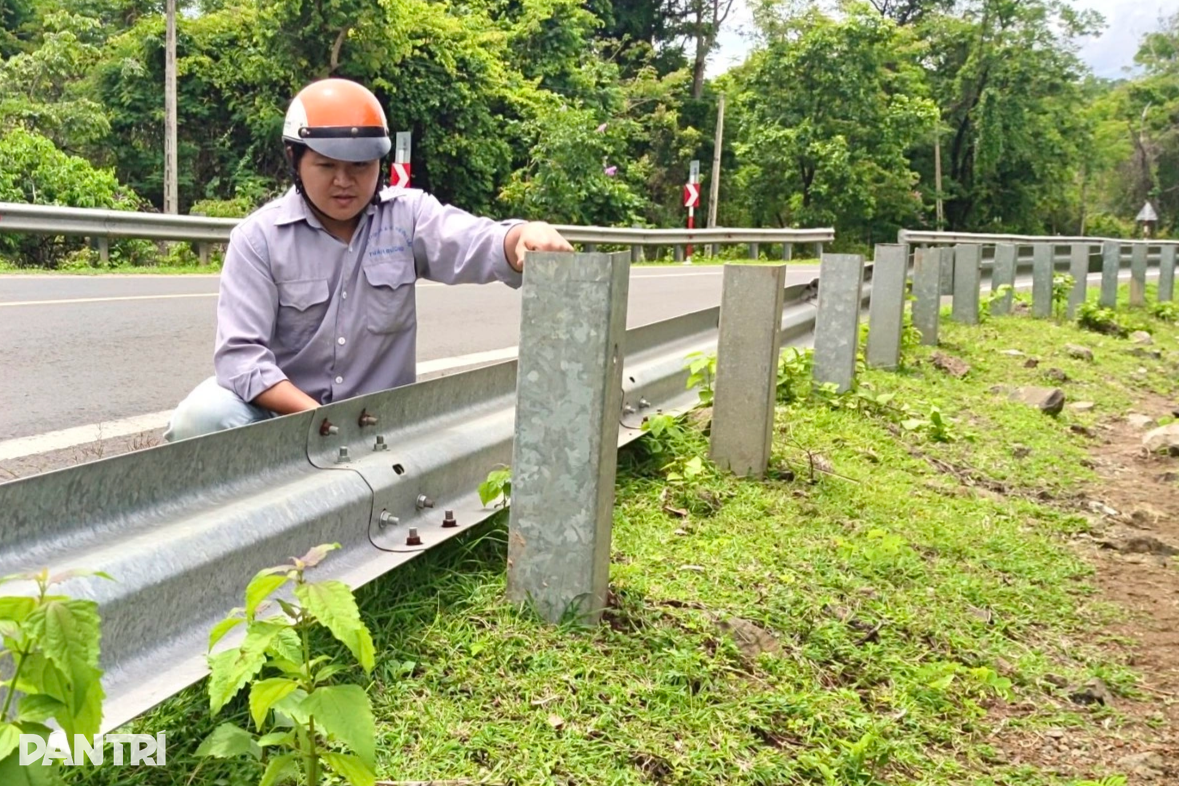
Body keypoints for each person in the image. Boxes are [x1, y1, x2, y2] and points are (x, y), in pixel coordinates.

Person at [164, 78, 572, 442]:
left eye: (360, 166)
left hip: (381, 423)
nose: (344, 181)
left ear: (379, 163)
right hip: (286, 419)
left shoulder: (409, 217)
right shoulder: (258, 239)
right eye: (326, 165)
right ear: (295, 160)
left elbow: (476, 242)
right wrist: (314, 417)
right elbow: (240, 358)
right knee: (202, 417)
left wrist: (524, 236)